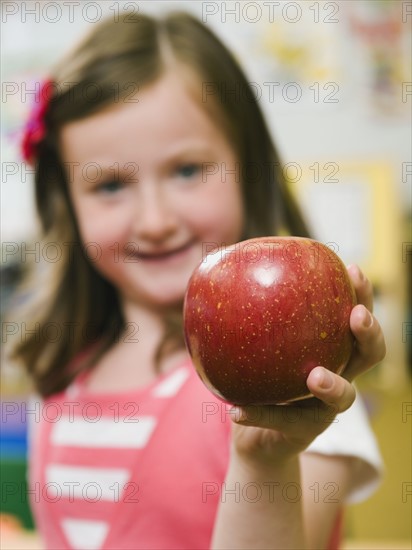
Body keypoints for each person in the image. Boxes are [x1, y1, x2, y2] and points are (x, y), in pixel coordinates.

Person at [11, 10, 386, 550]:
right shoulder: (64, 370)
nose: (156, 220)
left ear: (248, 165)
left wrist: (264, 461)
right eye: (111, 184)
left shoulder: (299, 394)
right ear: (67, 204)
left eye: (187, 171)